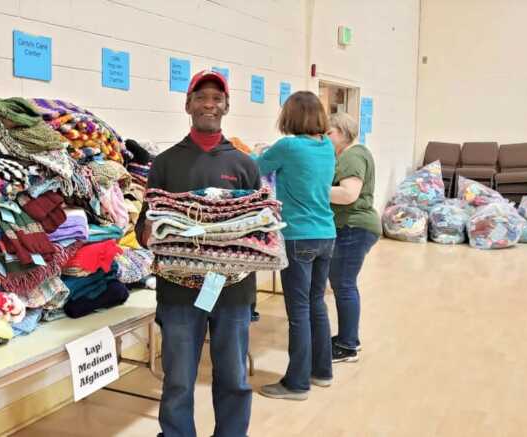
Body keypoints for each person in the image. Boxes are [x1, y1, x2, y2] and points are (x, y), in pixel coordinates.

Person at [136, 70, 261, 437]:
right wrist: (153, 231)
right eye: (202, 97)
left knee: (234, 378)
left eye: (217, 98)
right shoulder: (166, 163)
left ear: (226, 106)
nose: (210, 104)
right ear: (187, 104)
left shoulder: (244, 165)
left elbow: (259, 228)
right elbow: (145, 228)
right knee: (177, 380)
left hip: (233, 290)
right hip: (178, 291)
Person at [250, 91, 336, 401]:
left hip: (299, 236)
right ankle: (321, 372)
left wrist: (242, 152)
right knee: (317, 305)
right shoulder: (327, 146)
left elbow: (255, 168)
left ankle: (297, 383)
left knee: (298, 311)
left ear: (291, 116)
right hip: (327, 234)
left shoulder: (288, 146)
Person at [326, 112, 380, 363]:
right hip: (354, 226)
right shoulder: (355, 153)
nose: (327, 138)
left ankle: (348, 345)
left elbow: (348, 194)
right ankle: (346, 338)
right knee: (342, 283)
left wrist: (313, 190)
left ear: (343, 131)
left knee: (344, 284)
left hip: (353, 226)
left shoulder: (352, 155)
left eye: (330, 133)